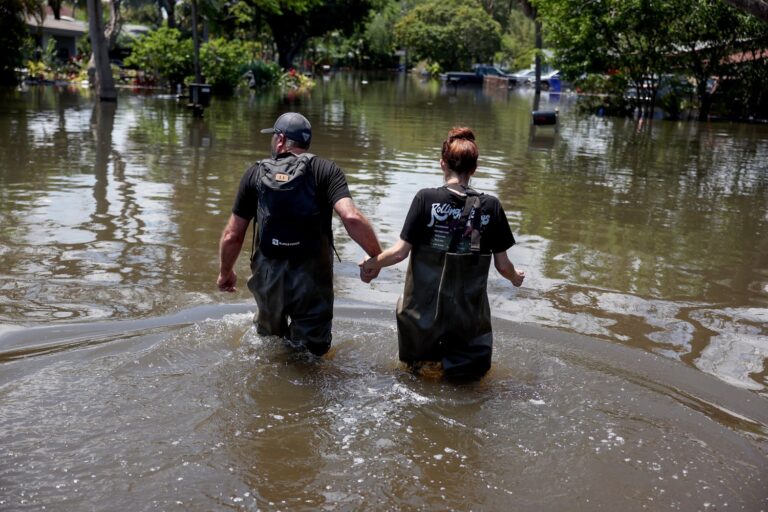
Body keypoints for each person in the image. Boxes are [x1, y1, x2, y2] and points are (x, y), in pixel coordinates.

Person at [359, 127, 524, 378]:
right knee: (467, 385)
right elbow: (503, 266)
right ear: (474, 169)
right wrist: (515, 277)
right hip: (467, 320)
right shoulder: (490, 206)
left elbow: (400, 253)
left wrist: (372, 264)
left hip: (422, 318)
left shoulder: (425, 199)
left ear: (442, 164)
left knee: (418, 379)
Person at [218, 112, 382, 356]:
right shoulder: (326, 170)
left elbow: (233, 234)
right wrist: (376, 257)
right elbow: (351, 217)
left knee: (267, 346)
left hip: (269, 274)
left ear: (281, 139)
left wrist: (226, 272)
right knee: (311, 354)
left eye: (273, 137)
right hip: (312, 277)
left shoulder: (255, 173)